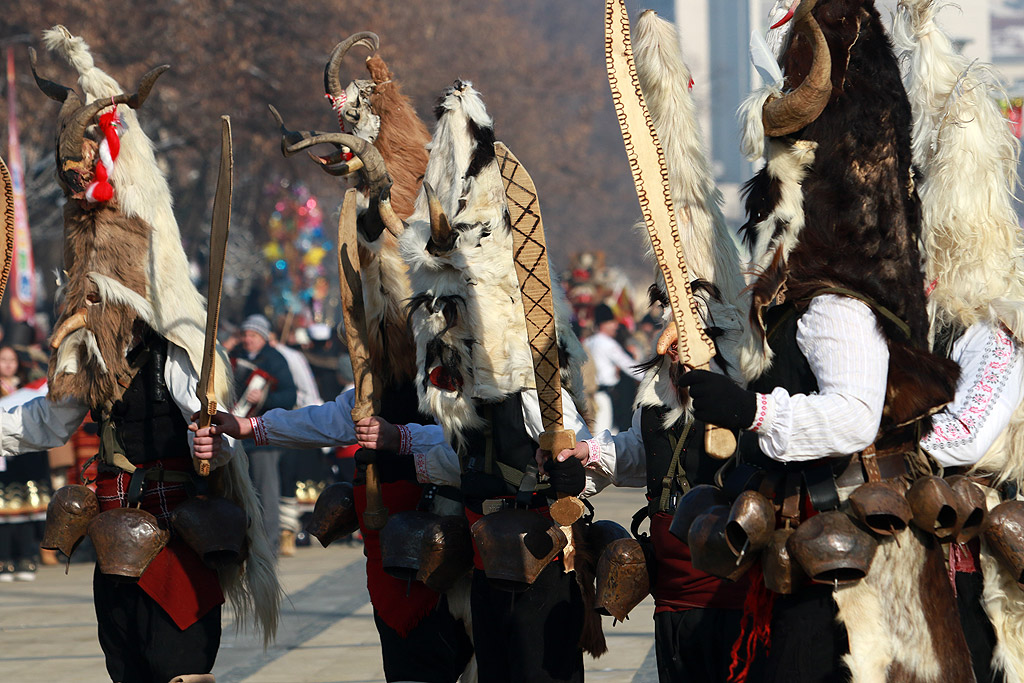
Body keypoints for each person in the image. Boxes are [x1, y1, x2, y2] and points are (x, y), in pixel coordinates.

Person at [673, 1, 974, 680]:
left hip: (845, 570)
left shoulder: (836, 303)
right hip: (795, 552)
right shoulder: (799, 299)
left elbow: (851, 414)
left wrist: (751, 411)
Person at [9, 28, 279, 681]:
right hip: (113, 548)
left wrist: (220, 443)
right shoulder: (87, 344)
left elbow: (215, 428)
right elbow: (47, 421)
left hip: (177, 545)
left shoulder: (177, 348)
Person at [230, 314, 297, 554]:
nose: (248, 339)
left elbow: (290, 397)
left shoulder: (275, 360)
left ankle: (269, 546)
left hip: (264, 438)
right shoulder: (234, 356)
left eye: (253, 335)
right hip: (236, 435)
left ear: (263, 337)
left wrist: (265, 398)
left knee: (266, 493)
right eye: (245, 334)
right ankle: (244, 543)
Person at [585, 303, 643, 434]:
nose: (616, 326)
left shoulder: (588, 341)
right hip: (604, 396)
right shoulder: (608, 343)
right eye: (612, 322)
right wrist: (651, 378)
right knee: (603, 434)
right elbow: (629, 366)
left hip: (590, 396)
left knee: (595, 431)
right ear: (603, 324)